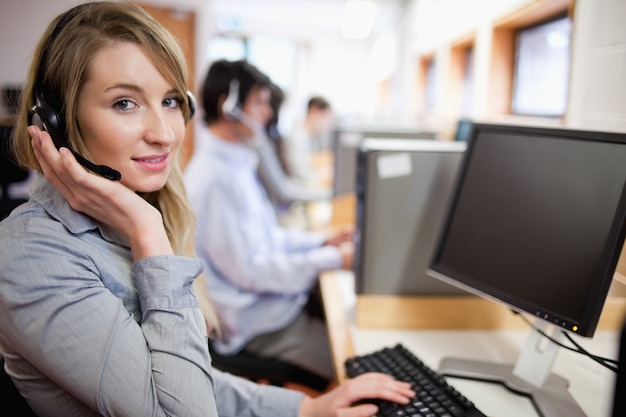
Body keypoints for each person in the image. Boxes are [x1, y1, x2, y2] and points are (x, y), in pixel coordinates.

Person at [0, 3, 416, 416]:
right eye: (125, 103)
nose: (164, 134)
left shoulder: (129, 214)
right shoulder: (32, 255)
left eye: (170, 101)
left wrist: (305, 408)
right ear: (57, 121)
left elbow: (187, 376)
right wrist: (150, 234)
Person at [184, 59, 353, 382]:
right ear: (228, 105)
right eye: (259, 102)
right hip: (256, 322)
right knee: (352, 362)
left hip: (271, 302)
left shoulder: (235, 164)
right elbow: (252, 270)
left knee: (338, 312)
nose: (267, 112)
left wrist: (321, 241)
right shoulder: (217, 179)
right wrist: (333, 258)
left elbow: (268, 238)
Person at [281, 95, 335, 186]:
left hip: (309, 185)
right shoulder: (296, 137)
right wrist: (323, 177)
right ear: (314, 110)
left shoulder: (311, 137)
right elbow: (300, 173)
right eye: (326, 117)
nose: (327, 124)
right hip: (301, 188)